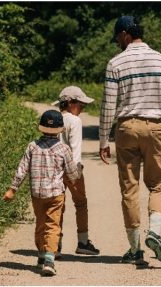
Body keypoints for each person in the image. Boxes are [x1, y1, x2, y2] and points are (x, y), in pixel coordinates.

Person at [99, 15, 161, 264]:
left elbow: (108, 106)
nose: (117, 42)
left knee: (130, 188)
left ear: (125, 34)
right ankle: (155, 233)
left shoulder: (116, 63)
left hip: (126, 128)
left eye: (117, 38)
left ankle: (135, 249)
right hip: (156, 126)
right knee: (157, 185)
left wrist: (104, 139)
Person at [4, 110, 80, 276]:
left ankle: (41, 254)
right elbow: (72, 174)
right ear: (61, 129)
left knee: (40, 223)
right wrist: (76, 176)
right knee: (53, 225)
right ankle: (49, 260)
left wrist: (12, 189)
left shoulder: (32, 146)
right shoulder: (64, 148)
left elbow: (22, 169)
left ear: (41, 128)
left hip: (37, 194)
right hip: (56, 194)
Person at [51, 86, 100, 257]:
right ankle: (83, 242)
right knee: (80, 203)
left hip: (54, 169)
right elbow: (75, 149)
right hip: (71, 169)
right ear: (71, 103)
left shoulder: (55, 119)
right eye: (81, 105)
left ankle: (55, 245)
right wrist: (76, 172)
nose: (82, 108)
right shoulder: (75, 121)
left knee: (58, 206)